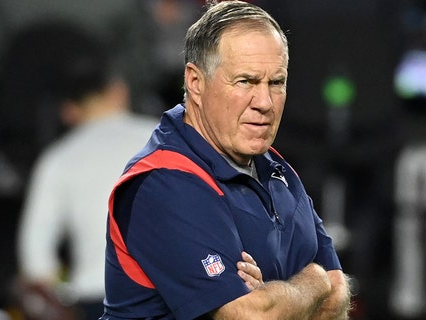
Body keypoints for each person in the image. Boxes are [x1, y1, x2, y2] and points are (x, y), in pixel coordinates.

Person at [101, 1, 352, 319]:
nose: (264, 102)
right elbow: (254, 316)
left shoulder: (277, 171)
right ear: (195, 82)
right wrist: (312, 283)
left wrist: (279, 297)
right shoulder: (164, 182)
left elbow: (339, 293)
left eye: (276, 83)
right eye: (245, 81)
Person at [15, 23, 158, 320]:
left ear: (68, 110)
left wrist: (63, 288)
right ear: (118, 91)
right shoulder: (166, 138)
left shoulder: (58, 158)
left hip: (98, 302)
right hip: (175, 298)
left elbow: (35, 262)